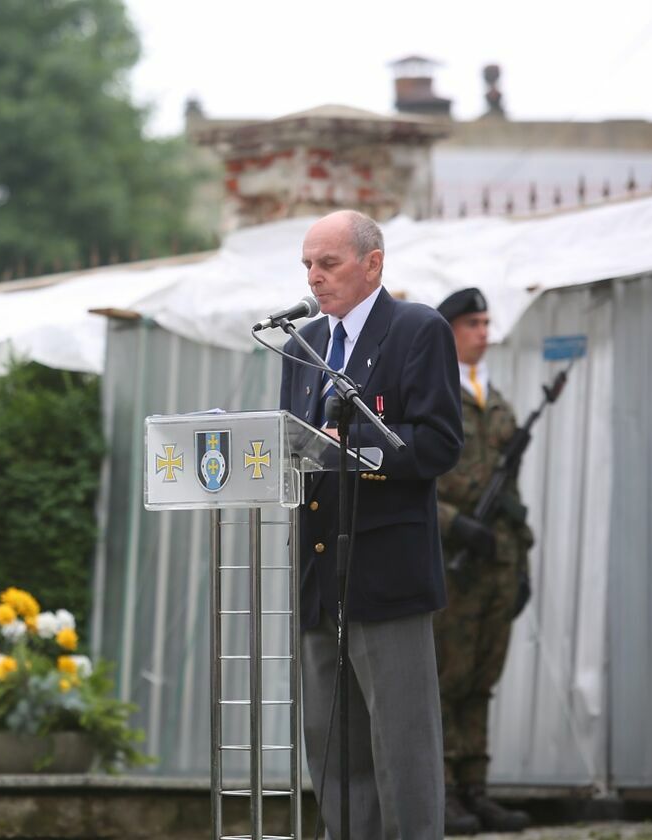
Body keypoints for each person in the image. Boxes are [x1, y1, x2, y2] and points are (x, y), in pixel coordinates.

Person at [278, 210, 464, 839]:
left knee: (402, 747)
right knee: (334, 751)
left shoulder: (417, 330)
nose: (314, 276)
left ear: (372, 263)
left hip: (386, 574)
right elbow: (293, 442)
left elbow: (439, 442)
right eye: (308, 264)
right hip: (318, 573)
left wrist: (356, 450)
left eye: (328, 263)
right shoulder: (300, 345)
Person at [432, 288, 534, 834]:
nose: (483, 333)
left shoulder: (498, 402)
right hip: (454, 562)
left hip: (498, 560)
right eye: (472, 323)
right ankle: (443, 792)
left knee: (481, 680)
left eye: (487, 323)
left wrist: (524, 564)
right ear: (448, 331)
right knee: (447, 680)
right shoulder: (433, 396)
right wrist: (455, 525)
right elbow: (412, 485)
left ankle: (476, 789)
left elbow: (511, 492)